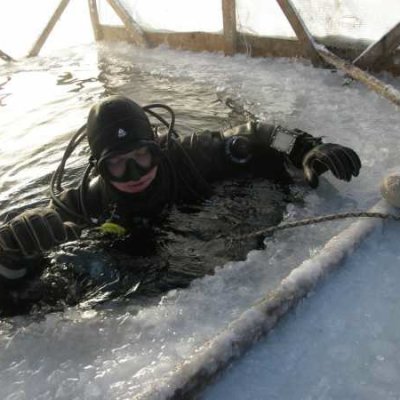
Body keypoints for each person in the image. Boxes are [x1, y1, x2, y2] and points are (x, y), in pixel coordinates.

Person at [0, 95, 361, 285]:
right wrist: (11, 256)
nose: (136, 173)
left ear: (157, 147)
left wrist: (304, 148)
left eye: (143, 156)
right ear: (99, 168)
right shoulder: (84, 203)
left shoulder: (186, 157)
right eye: (117, 164)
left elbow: (254, 133)